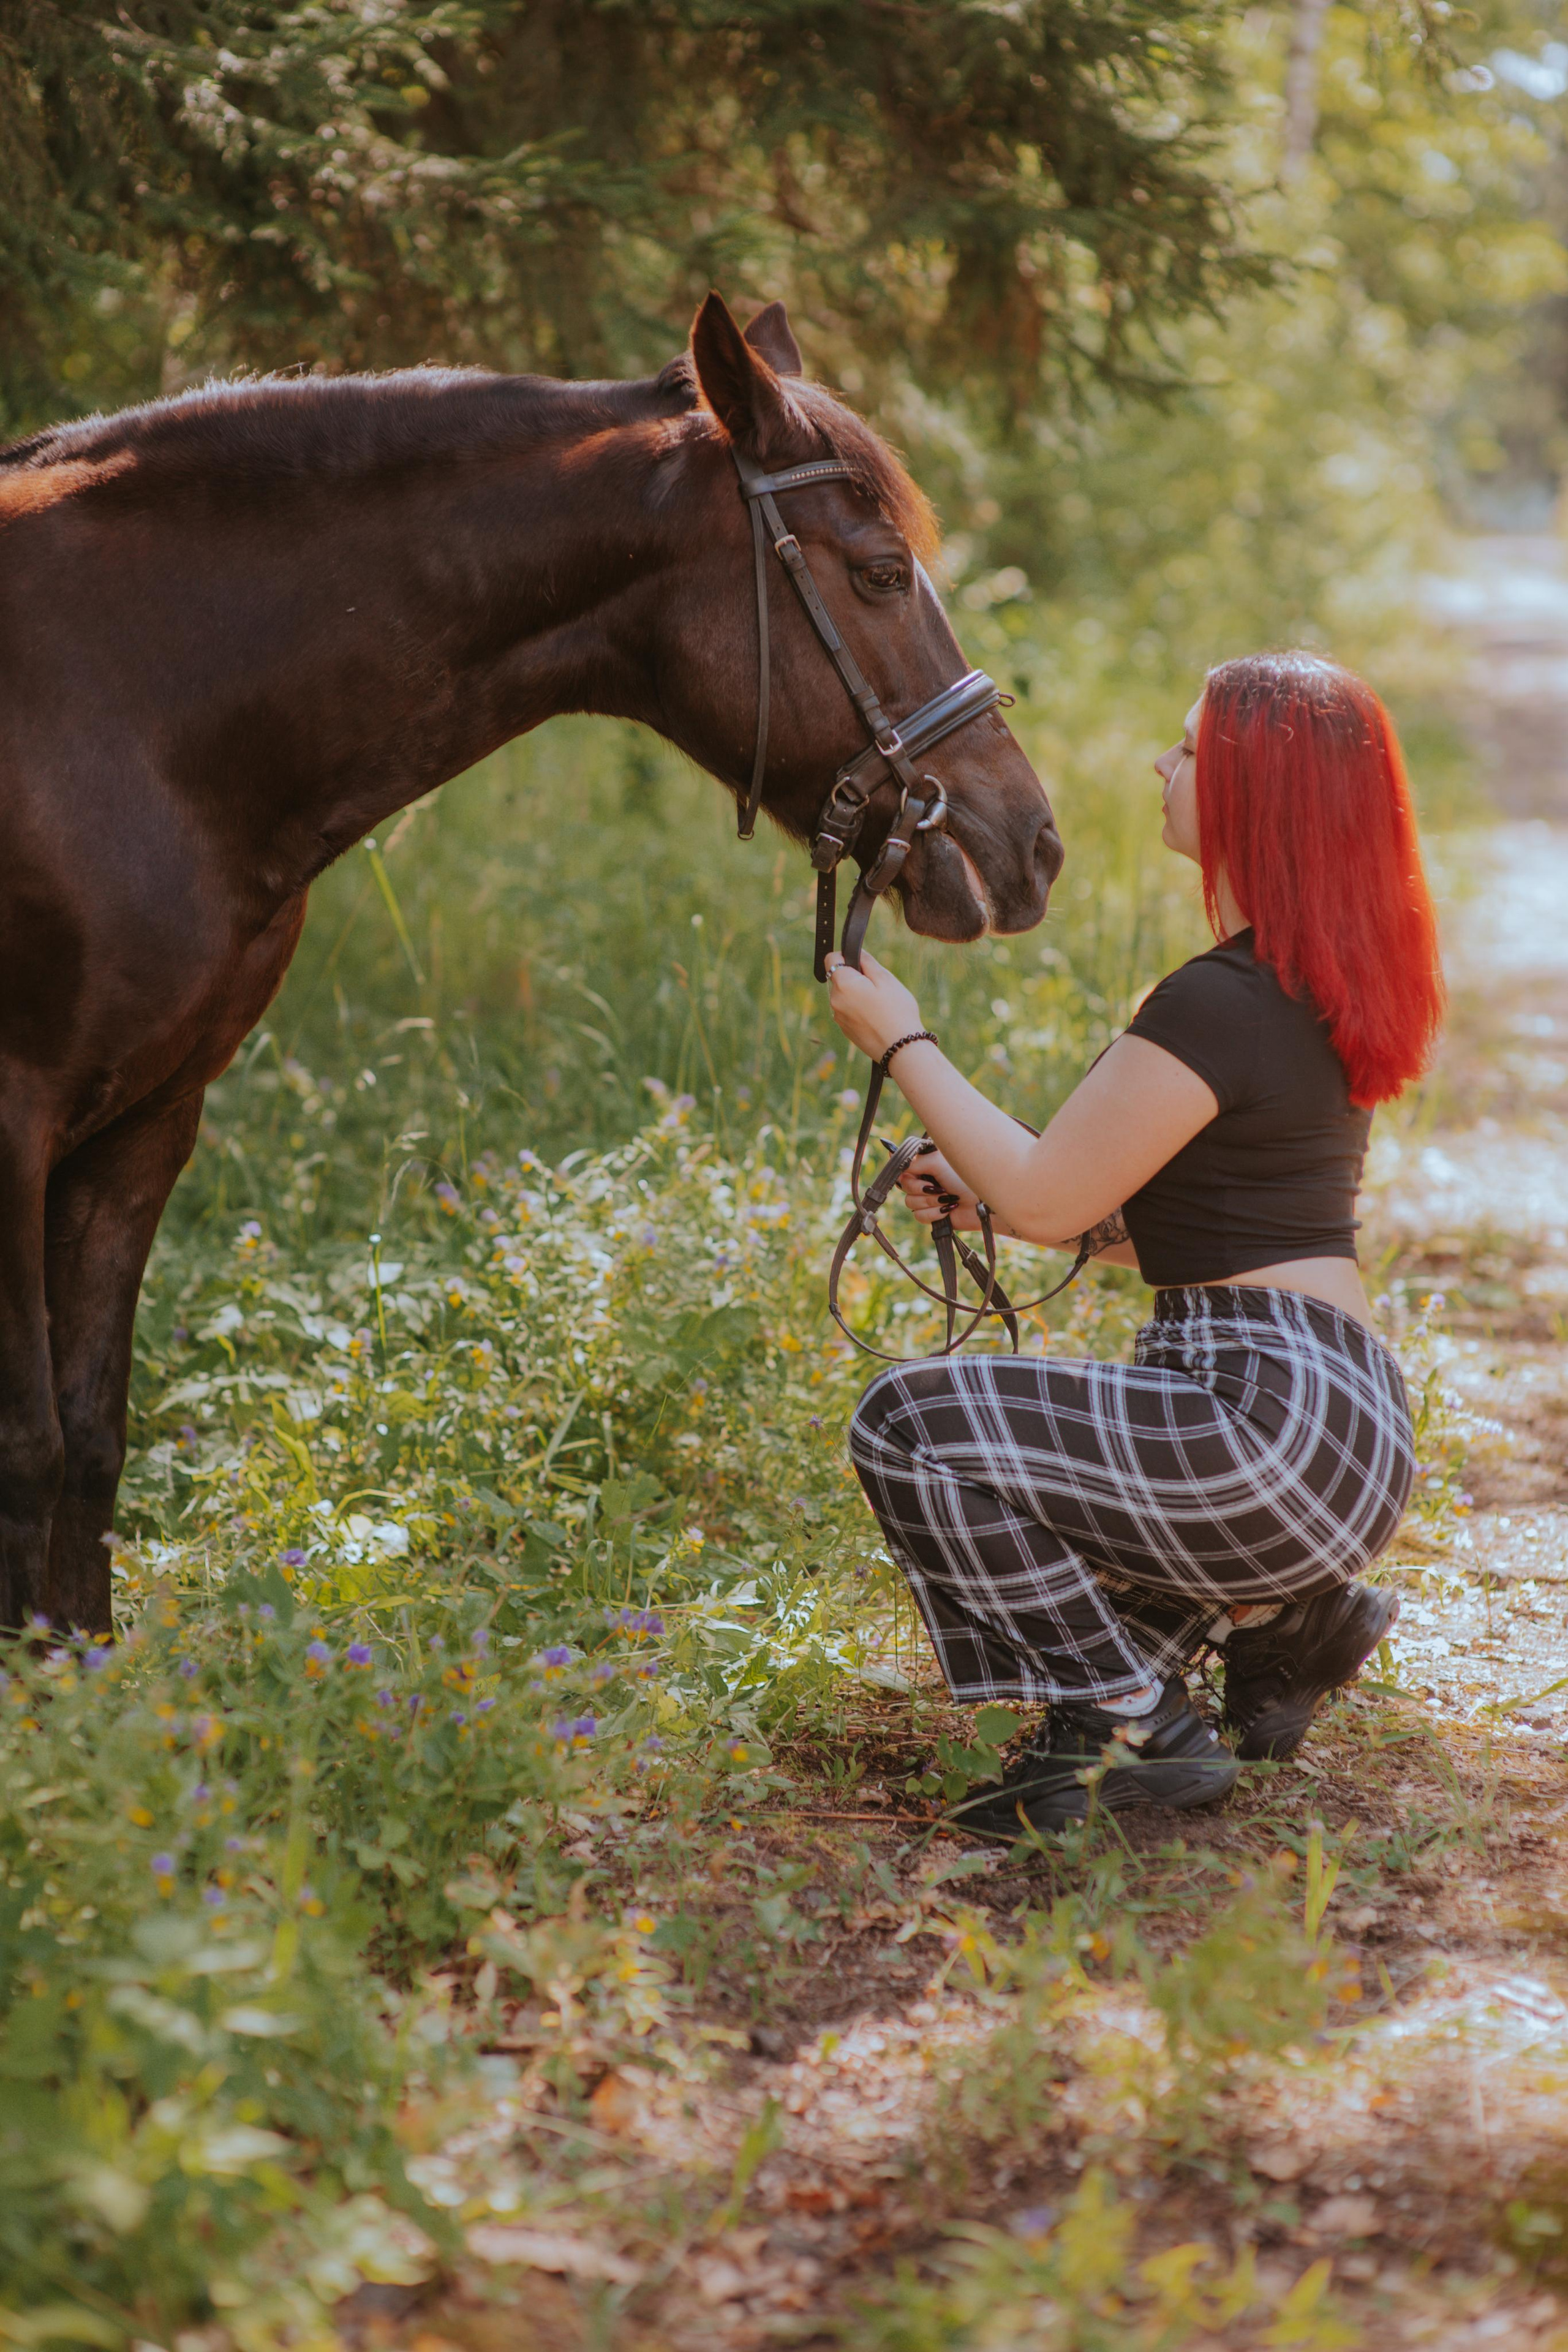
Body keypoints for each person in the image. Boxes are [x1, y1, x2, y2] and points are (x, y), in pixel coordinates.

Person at [824, 650, 1444, 1836]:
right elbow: (1176, 1228)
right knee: (1057, 1494)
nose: (1159, 765)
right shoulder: (1304, 984)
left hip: (1261, 1423)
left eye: (1186, 749)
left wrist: (902, 1042)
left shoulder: (1215, 1001)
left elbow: (1051, 1200)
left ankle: (1123, 1716)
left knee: (905, 1423)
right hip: (1342, 1428)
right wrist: (988, 1194)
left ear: (1254, 789)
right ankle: (1276, 1623)